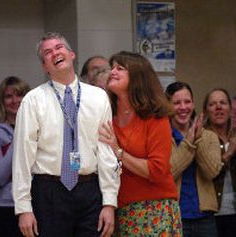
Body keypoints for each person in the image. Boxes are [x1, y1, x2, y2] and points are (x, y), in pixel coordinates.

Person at [12, 32, 119, 237]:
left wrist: (109, 202)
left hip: (89, 189)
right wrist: (23, 208)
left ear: (72, 54)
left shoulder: (98, 97)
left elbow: (106, 152)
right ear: (44, 66)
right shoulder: (32, 100)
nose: (55, 53)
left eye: (59, 48)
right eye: (48, 52)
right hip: (49, 191)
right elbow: (22, 157)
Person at [99, 51, 182, 236]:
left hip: (154, 208)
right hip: (119, 208)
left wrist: (117, 151)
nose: (112, 71)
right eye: (112, 67)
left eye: (120, 68)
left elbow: (157, 170)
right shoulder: (106, 116)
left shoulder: (155, 117)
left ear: (138, 77)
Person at [166, 82, 222, 237]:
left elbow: (211, 172)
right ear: (168, 106)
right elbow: (167, 174)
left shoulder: (209, 136)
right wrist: (189, 143)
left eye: (187, 101)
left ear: (193, 103)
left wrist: (197, 140)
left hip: (204, 218)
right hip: (173, 216)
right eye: (177, 103)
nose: (183, 107)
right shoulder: (162, 135)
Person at [0, 76, 30, 237]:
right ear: (1, 101)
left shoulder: (39, 129)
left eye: (19, 95)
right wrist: (21, 134)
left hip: (35, 206)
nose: (14, 100)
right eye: (9, 96)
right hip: (4, 207)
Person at [203, 88, 236, 237]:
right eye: (213, 104)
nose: (218, 107)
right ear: (205, 110)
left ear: (230, 108)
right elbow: (208, 173)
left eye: (223, 103)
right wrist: (228, 154)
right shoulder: (200, 137)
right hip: (212, 213)